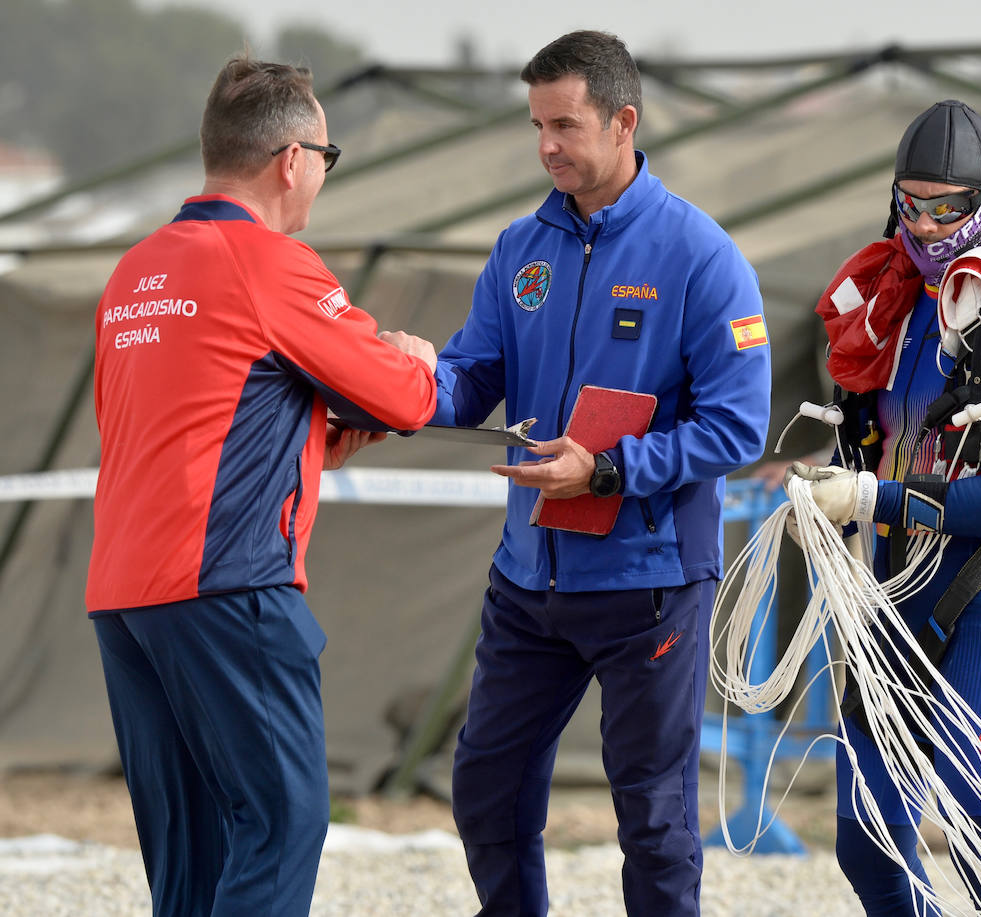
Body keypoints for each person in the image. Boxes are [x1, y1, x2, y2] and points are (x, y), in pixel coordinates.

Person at [420, 29, 770, 917]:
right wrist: (399, 381)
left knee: (652, 818)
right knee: (486, 793)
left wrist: (608, 470)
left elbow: (738, 425)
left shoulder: (702, 256)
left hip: (649, 585)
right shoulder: (518, 249)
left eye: (565, 125)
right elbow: (470, 382)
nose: (546, 146)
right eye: (537, 126)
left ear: (624, 122)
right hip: (526, 577)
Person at [85, 55, 439, 916]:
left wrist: (305, 443)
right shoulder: (270, 262)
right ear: (291, 159)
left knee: (191, 851)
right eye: (327, 156)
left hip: (125, 592)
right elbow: (402, 395)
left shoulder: (135, 269)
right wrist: (415, 359)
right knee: (283, 822)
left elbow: (194, 426)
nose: (321, 174)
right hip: (226, 580)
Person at [788, 100, 981, 915]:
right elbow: (882, 443)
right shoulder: (896, 307)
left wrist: (877, 496)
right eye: (910, 202)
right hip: (889, 605)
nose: (925, 223)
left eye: (947, 206)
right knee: (867, 839)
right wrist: (829, 485)